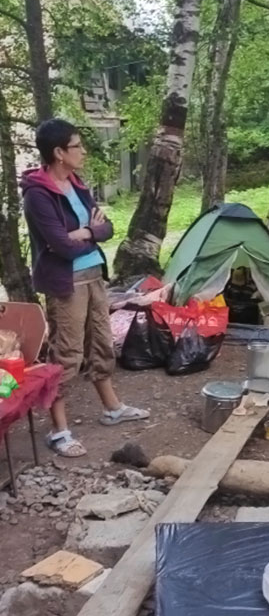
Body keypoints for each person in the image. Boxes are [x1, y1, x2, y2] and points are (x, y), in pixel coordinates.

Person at [21, 118, 150, 458]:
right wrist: (81, 235)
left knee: (101, 344)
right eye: (77, 146)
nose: (84, 151)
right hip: (66, 284)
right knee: (67, 355)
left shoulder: (76, 184)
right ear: (59, 152)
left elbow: (106, 228)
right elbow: (60, 247)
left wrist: (86, 233)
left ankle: (112, 408)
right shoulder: (38, 194)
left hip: (94, 276)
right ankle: (58, 430)